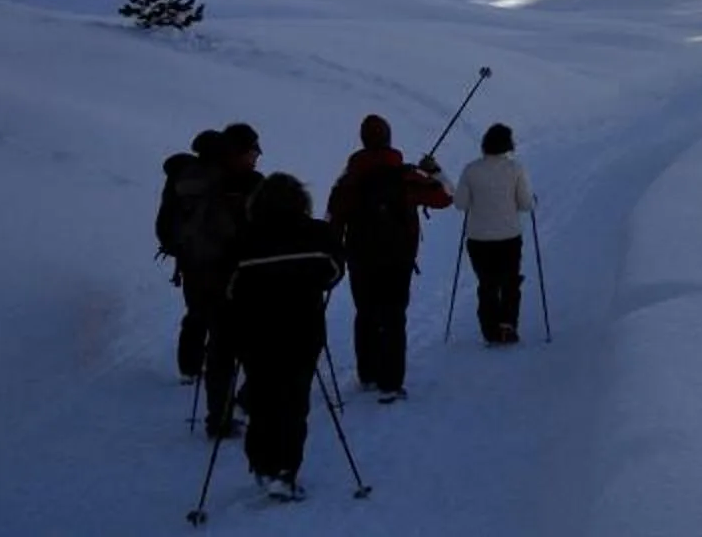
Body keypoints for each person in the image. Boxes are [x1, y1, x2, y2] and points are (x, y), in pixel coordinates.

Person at [225, 173, 345, 504]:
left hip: (255, 331)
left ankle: (263, 464)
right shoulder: (317, 233)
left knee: (262, 396)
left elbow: (230, 288)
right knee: (294, 401)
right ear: (300, 200)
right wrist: (309, 283)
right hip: (302, 329)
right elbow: (334, 272)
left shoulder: (245, 237)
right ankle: (284, 471)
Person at [325, 114, 450, 399]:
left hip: (360, 257)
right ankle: (391, 383)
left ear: (363, 140)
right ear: (388, 138)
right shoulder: (406, 175)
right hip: (399, 257)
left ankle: (367, 374)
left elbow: (333, 219)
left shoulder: (349, 178)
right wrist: (434, 171)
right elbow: (445, 198)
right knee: (394, 316)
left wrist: (335, 254)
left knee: (365, 313)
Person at [173, 121, 264, 439]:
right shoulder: (248, 183)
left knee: (220, 348)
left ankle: (219, 418)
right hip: (239, 275)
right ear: (239, 152)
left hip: (200, 272)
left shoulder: (195, 180)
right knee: (256, 343)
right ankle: (248, 402)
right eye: (253, 151)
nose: (256, 157)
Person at [455, 122, 536, 345]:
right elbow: (526, 204)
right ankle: (507, 325)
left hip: (478, 240)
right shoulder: (515, 169)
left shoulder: (471, 170)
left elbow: (460, 204)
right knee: (510, 282)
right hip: (509, 238)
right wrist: (533, 200)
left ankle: (490, 330)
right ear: (509, 145)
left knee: (487, 283)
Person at [155, 128, 224, 381]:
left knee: (197, 310)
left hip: (190, 257)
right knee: (220, 310)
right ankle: (216, 361)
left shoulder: (181, 178)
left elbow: (165, 220)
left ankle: (189, 367)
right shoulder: (218, 177)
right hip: (218, 256)